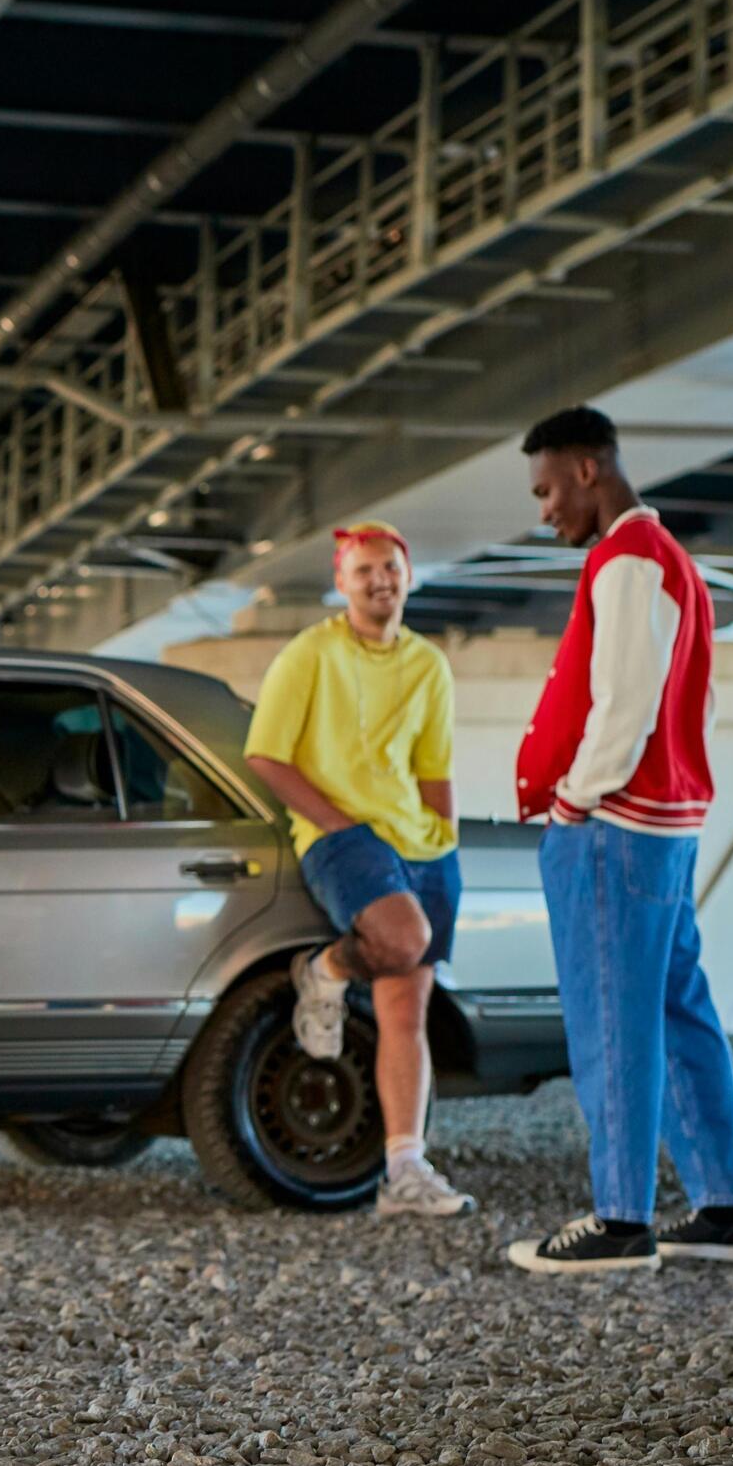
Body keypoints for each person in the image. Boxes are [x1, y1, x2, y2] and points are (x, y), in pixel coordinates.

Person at [506, 407, 733, 1274]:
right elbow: (696, 702)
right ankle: (724, 1207)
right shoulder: (676, 564)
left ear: (586, 468)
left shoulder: (625, 560)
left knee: (611, 1019)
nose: (544, 511)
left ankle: (621, 1218)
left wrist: (575, 802)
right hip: (666, 824)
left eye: (546, 489)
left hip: (616, 826)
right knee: (677, 1009)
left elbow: (622, 702)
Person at [243, 521, 475, 1218]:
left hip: (422, 844)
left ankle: (404, 1168)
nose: (381, 579)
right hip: (341, 835)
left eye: (392, 567)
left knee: (408, 1009)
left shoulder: (429, 664)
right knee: (399, 941)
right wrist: (339, 823)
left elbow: (434, 768)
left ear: (409, 576)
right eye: (365, 569)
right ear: (342, 581)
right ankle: (326, 972)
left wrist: (445, 838)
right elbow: (267, 754)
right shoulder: (309, 653)